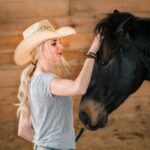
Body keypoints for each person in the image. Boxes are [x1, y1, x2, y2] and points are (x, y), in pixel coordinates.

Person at [14, 19, 102, 150]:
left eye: (60, 42)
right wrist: (92, 52)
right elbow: (79, 87)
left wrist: (46, 143)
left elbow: (23, 130)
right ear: (39, 50)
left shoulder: (32, 82)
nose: (61, 47)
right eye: (54, 43)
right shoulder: (48, 81)